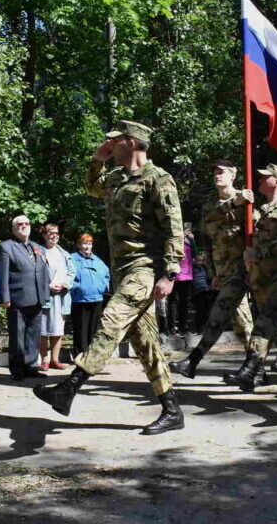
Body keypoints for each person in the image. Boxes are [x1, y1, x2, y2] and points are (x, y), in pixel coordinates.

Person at [34, 120, 185, 435]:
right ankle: (172, 410)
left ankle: (69, 388)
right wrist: (96, 160)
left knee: (111, 320)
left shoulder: (158, 180)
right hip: (122, 270)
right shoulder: (116, 177)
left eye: (114, 142)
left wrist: (170, 272)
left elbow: (174, 228)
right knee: (146, 344)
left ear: (130, 143)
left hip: (146, 267)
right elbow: (92, 187)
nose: (110, 146)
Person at [169, 159, 254, 379]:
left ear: (233, 175)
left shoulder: (247, 201)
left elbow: (254, 234)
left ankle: (193, 361)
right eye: (215, 172)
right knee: (241, 322)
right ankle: (259, 366)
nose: (217, 175)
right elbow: (207, 238)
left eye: (222, 172)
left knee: (222, 317)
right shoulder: (210, 205)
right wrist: (212, 272)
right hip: (223, 271)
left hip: (242, 270)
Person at [228, 164, 277, 392]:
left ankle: (251, 366)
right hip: (262, 274)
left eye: (265, 177)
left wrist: (258, 254)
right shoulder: (259, 210)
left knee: (267, 319)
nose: (259, 180)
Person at [0, 215, 50, 381]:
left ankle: (31, 366)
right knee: (17, 336)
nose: (24, 226)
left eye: (27, 223)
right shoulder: (6, 247)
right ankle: (17, 368)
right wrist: (4, 297)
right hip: (17, 298)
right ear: (14, 229)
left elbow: (44, 273)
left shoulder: (38, 247)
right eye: (19, 224)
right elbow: (3, 274)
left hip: (36, 298)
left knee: (33, 334)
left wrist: (45, 294)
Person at [39, 223, 75, 370]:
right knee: (43, 330)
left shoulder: (64, 254)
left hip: (61, 297)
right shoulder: (39, 252)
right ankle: (44, 360)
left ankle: (55, 359)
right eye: (51, 233)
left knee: (58, 329)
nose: (54, 236)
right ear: (44, 235)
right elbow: (35, 273)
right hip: (45, 296)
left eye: (57, 233)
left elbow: (72, 272)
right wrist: (47, 286)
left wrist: (64, 284)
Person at [69, 234, 110, 358]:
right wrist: (77, 288)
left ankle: (90, 357)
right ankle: (79, 355)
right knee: (81, 329)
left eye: (89, 243)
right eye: (84, 243)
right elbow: (68, 275)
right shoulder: (72, 259)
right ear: (78, 245)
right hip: (80, 300)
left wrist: (102, 287)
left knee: (93, 330)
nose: (87, 246)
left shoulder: (97, 260)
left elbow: (106, 275)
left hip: (96, 299)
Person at [166, 225, 195, 334]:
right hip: (174, 275)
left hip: (187, 276)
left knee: (184, 302)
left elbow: (195, 254)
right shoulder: (172, 241)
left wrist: (192, 240)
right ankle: (172, 327)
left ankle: (183, 327)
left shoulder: (188, 242)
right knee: (173, 302)